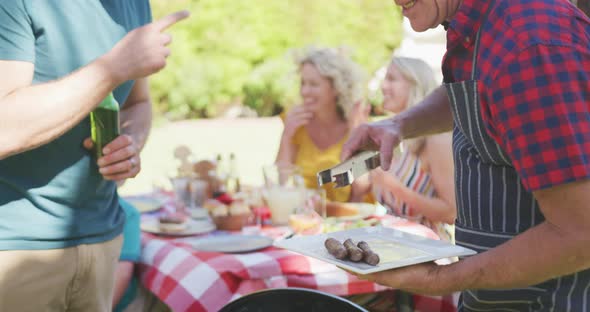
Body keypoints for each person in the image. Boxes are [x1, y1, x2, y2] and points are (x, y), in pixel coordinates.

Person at [342, 0, 590, 310]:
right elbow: (478, 90)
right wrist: (399, 125)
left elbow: (581, 233)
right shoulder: (480, 26)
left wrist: (438, 279)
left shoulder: (528, 40)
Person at [0, 1, 188, 311]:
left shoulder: (135, 4)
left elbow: (136, 103)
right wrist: (114, 67)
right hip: (16, 248)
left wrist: (130, 143)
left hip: (102, 238)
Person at [357, 56, 456, 242]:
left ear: (415, 85)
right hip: (392, 245)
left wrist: (395, 188)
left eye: (392, 79)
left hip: (428, 252)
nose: (383, 86)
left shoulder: (435, 140)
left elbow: (451, 213)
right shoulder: (392, 140)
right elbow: (360, 190)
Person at [276, 47, 370, 203]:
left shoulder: (357, 124)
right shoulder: (297, 124)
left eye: (313, 84)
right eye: (303, 83)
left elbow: (362, 188)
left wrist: (356, 138)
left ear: (336, 88)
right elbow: (280, 183)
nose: (305, 91)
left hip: (354, 220)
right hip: (307, 221)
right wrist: (286, 136)